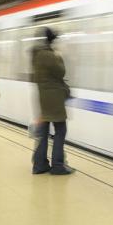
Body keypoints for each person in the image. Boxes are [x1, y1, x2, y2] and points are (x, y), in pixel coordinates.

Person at [31, 27, 73, 175]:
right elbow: (61, 72)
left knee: (43, 131)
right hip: (54, 98)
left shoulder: (36, 54)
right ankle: (58, 165)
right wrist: (59, 56)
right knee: (61, 129)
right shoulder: (49, 55)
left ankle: (39, 164)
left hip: (43, 96)